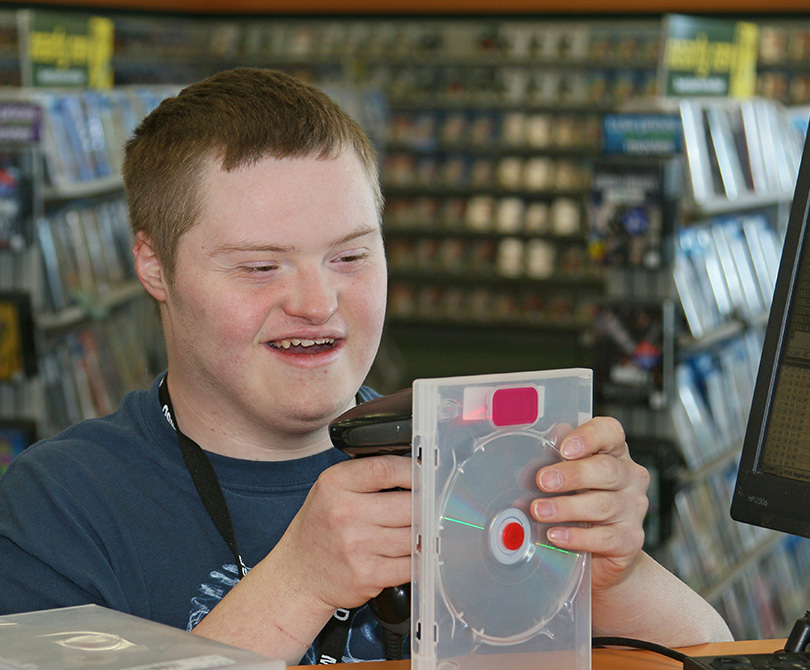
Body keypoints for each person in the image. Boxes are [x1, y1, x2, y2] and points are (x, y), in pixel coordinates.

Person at [0, 68, 731, 665]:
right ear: (153, 265)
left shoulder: (476, 462)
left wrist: (617, 572)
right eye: (259, 267)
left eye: (351, 256)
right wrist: (297, 584)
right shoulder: (59, 506)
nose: (318, 302)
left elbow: (719, 654)